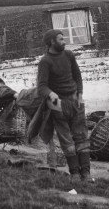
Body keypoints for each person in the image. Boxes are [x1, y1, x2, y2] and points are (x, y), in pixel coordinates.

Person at [36, 29, 93, 184]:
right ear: (52, 42)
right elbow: (41, 87)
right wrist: (50, 93)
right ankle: (74, 173)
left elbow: (77, 76)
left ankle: (86, 174)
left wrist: (80, 94)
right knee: (66, 140)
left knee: (81, 137)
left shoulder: (68, 55)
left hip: (76, 102)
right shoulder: (45, 61)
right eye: (61, 39)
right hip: (59, 106)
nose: (64, 41)